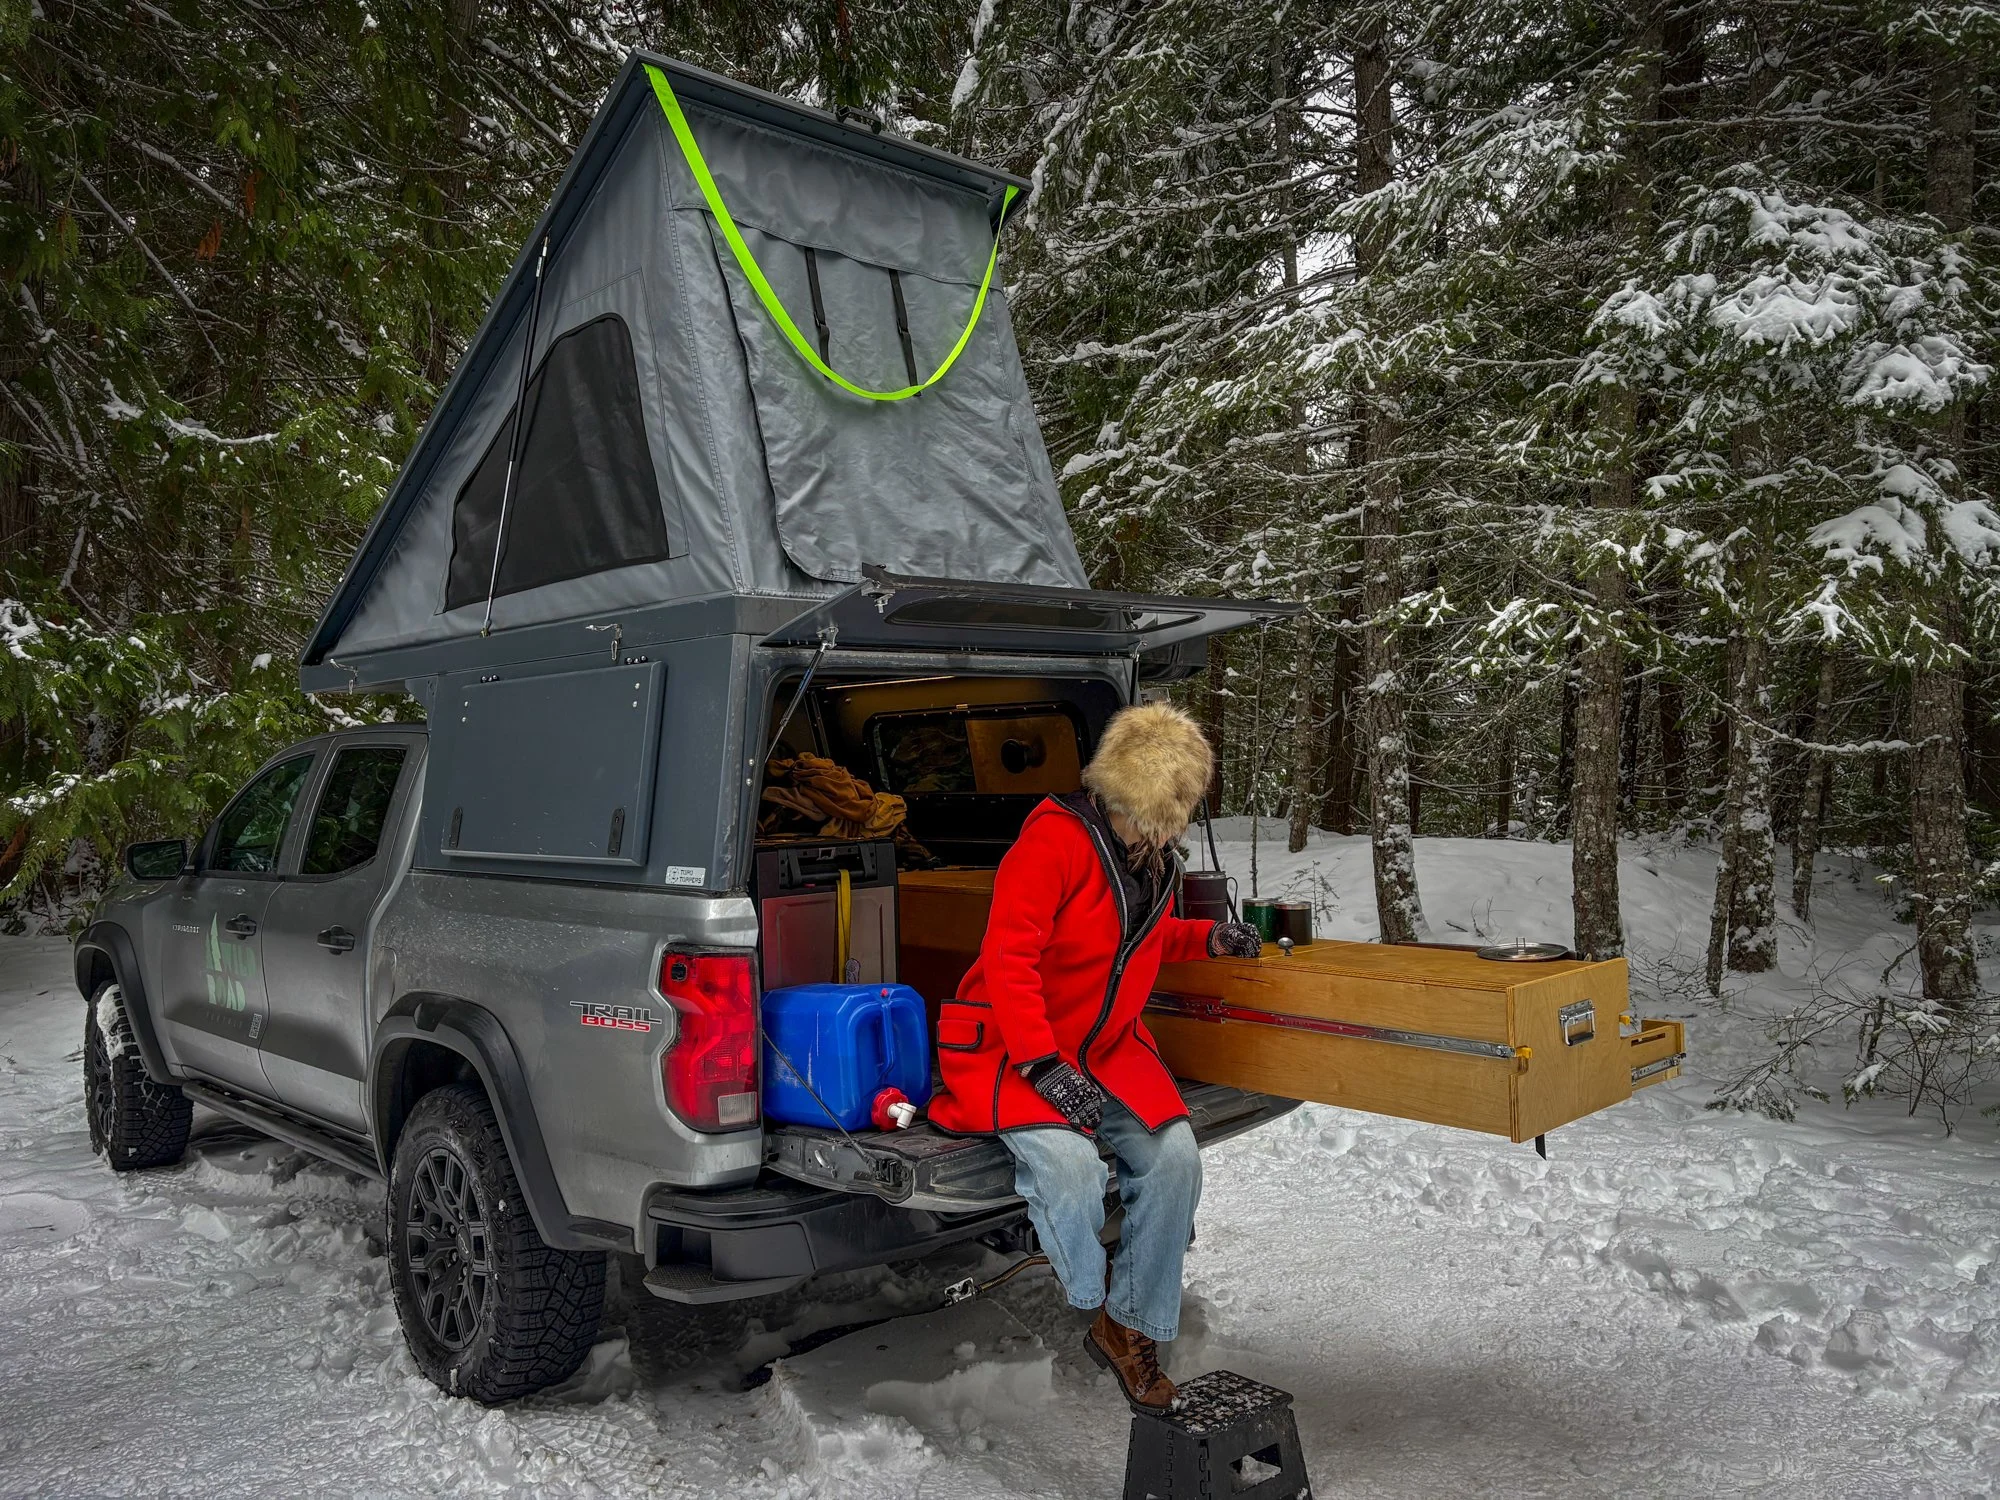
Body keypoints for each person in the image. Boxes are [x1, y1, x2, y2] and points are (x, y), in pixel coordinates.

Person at [927, 702, 1262, 1408]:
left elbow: (1146, 938)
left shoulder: (1152, 858)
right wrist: (1042, 1064)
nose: (1164, 837)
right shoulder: (1051, 843)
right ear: (1122, 796)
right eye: (1155, 822)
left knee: (1176, 1159)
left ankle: (1126, 1323)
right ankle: (1089, 1294)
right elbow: (1008, 960)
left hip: (1106, 1051)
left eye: (1172, 824)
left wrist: (1207, 940)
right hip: (1015, 1048)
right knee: (1070, 1169)